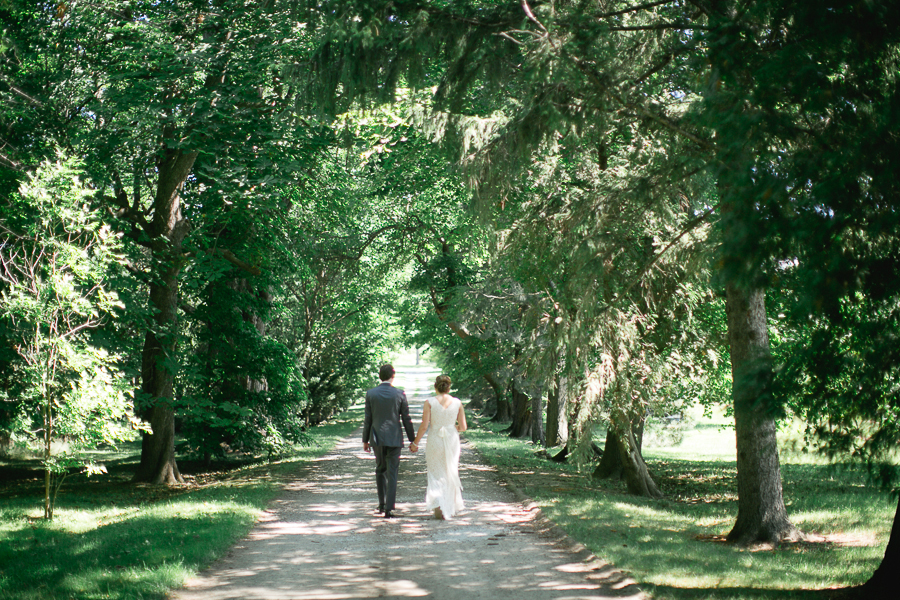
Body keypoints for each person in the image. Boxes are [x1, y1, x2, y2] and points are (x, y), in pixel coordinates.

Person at [410, 374, 467, 519]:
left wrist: (415, 442)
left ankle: (439, 506)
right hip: (452, 439)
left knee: (436, 472)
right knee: (450, 470)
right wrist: (452, 427)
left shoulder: (429, 402)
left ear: (435, 387)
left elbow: (424, 426)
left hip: (435, 439)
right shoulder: (457, 402)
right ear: (449, 388)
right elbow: (463, 427)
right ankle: (449, 505)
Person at [363, 364, 416, 518]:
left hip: (377, 437)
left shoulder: (371, 394)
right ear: (393, 376)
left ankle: (381, 504)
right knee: (392, 472)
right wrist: (413, 440)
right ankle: (389, 508)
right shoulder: (399, 394)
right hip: (394, 437)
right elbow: (406, 418)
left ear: (380, 376)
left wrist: (365, 440)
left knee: (380, 469)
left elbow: (368, 419)